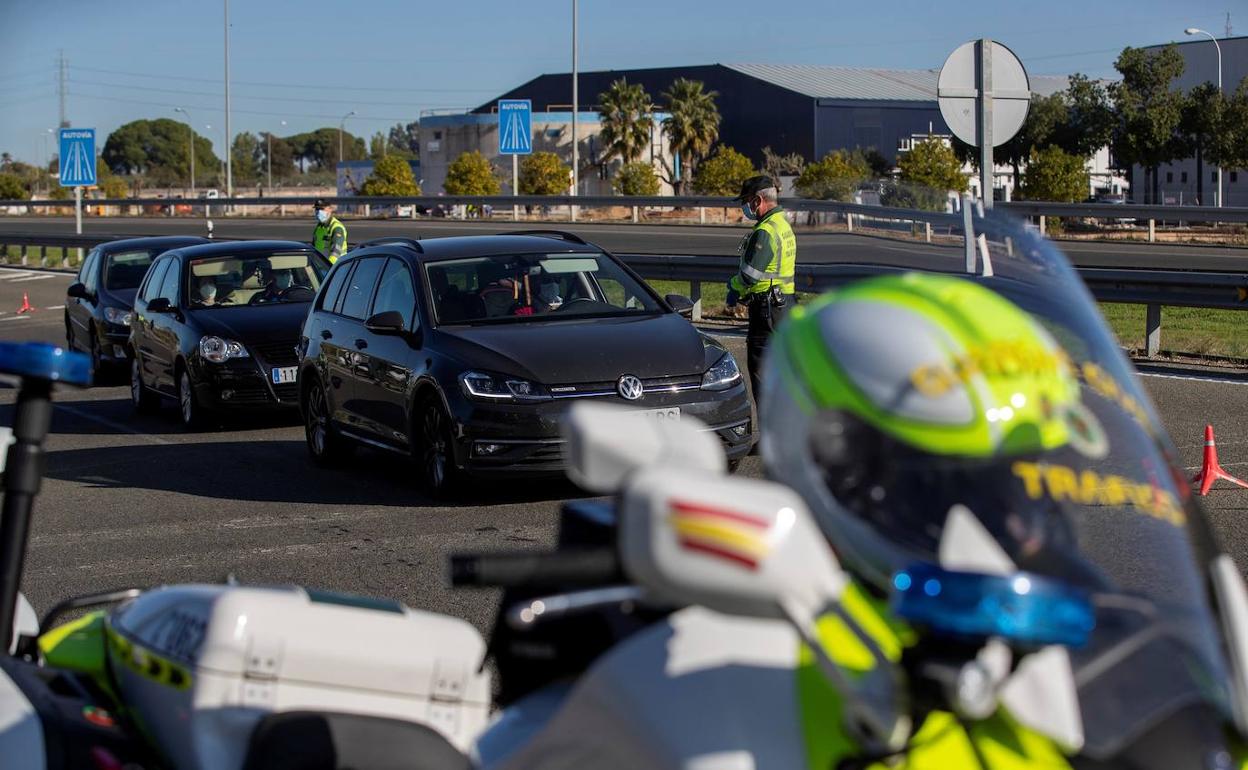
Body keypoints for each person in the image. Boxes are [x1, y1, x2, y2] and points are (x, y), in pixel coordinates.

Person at [725, 175, 795, 410]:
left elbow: (750, 275)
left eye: (745, 201)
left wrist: (733, 287)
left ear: (757, 200)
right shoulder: (783, 225)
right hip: (784, 307)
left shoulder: (765, 231)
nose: (744, 207)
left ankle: (767, 438)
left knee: (762, 376)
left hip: (766, 312)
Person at [312, 199, 348, 263]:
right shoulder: (319, 227)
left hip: (335, 267)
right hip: (322, 266)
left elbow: (336, 253)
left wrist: (329, 267)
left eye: (322, 209)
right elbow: (314, 248)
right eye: (317, 209)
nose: (319, 212)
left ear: (330, 209)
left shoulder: (336, 227)